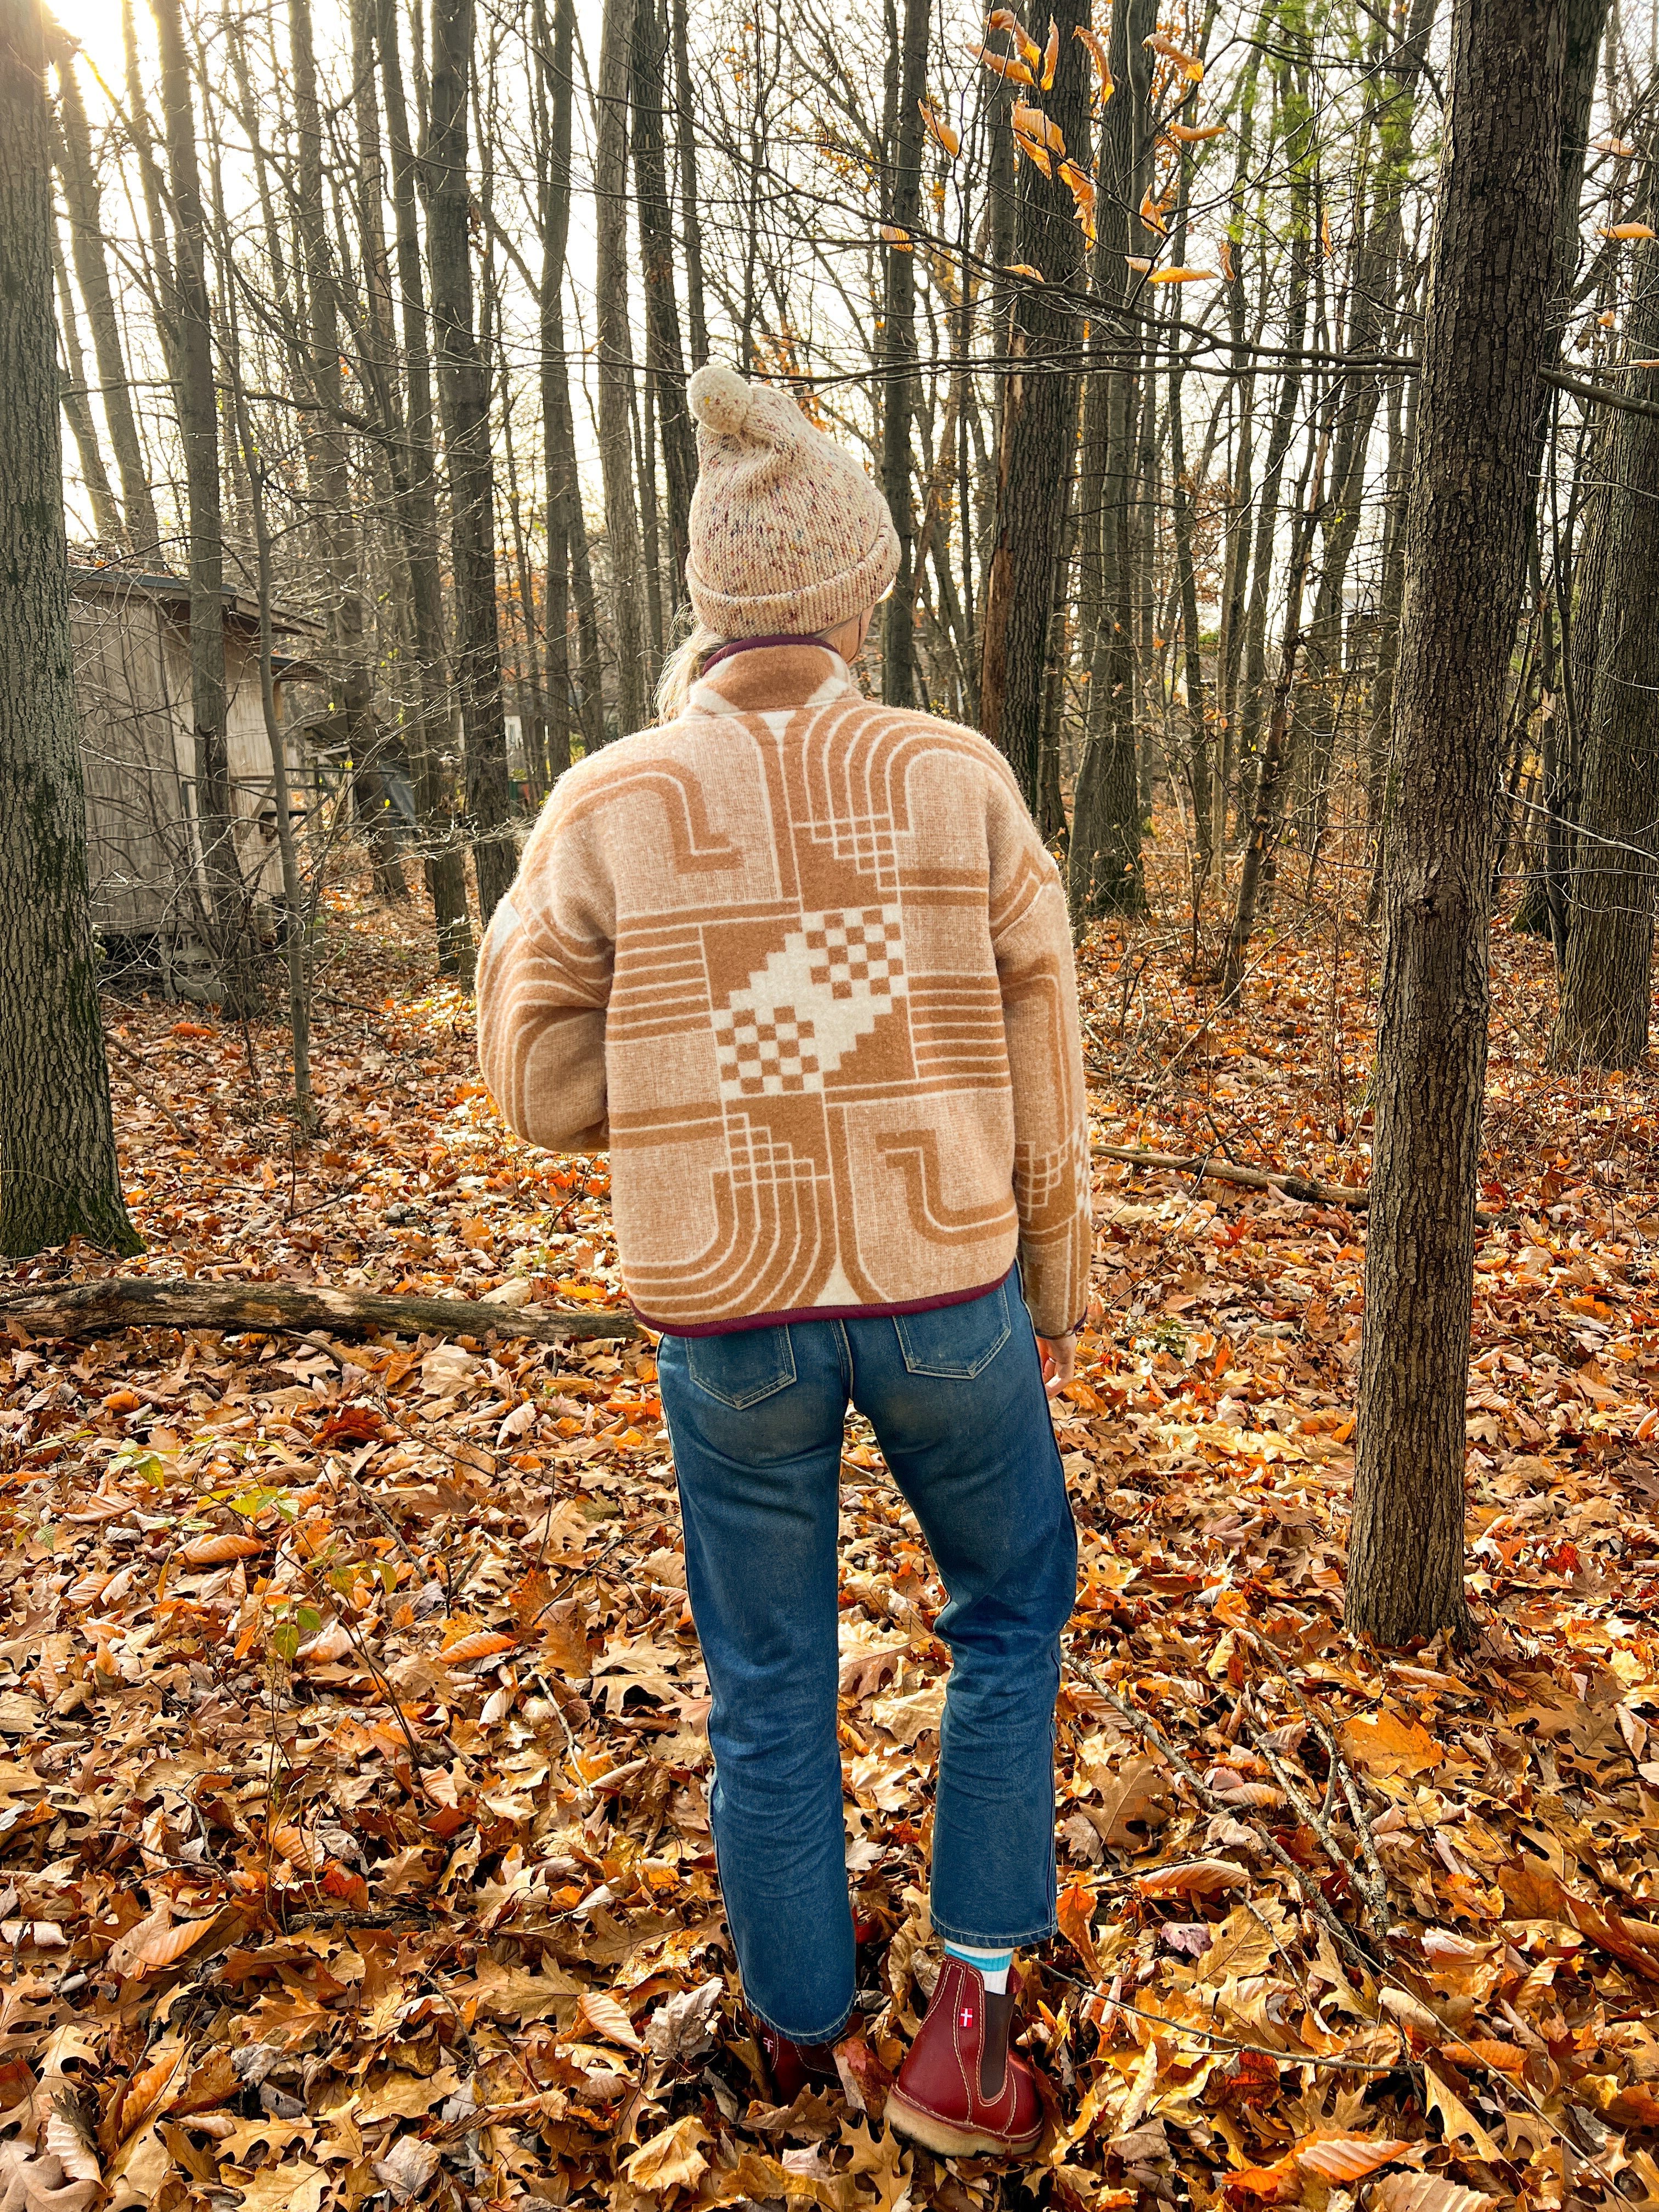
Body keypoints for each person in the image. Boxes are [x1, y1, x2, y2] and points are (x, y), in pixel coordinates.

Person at [477, 362, 1091, 2160]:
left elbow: (529, 1072)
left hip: (725, 1313)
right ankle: (965, 2042)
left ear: (713, 602)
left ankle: (800, 2047)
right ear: (850, 596)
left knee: (764, 1677)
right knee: (1009, 1612)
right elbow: (1045, 1035)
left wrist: (685, 1074)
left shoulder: (609, 800)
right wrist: (1055, 1268)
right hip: (945, 1296)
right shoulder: (955, 777)